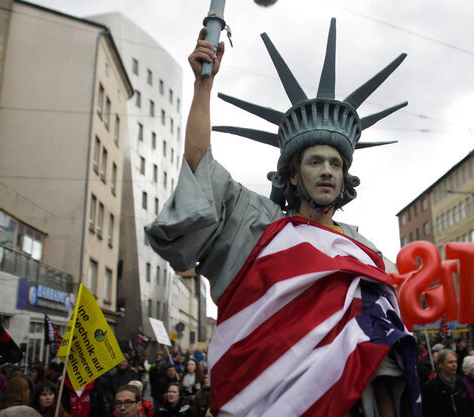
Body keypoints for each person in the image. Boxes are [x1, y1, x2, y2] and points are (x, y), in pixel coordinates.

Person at [144, 20, 417, 417]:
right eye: (315, 161)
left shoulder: (364, 253)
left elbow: (383, 361)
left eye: (336, 164)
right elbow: (200, 169)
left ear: (344, 176)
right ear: (292, 174)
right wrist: (203, 87)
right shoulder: (259, 227)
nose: (327, 171)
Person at [421, 349, 470, 416]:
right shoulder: (431, 387)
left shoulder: (460, 381)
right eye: (450, 362)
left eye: (456, 362)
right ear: (440, 364)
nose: (454, 365)